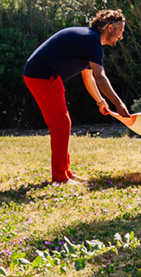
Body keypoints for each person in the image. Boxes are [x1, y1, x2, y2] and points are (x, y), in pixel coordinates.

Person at [23, 9, 131, 183]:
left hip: (43, 75)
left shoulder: (89, 41)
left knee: (63, 123)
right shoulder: (91, 41)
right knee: (61, 123)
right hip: (42, 75)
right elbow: (100, 77)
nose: (121, 36)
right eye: (121, 31)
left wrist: (100, 102)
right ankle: (60, 176)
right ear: (110, 28)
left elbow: (89, 79)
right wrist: (119, 104)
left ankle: (65, 173)